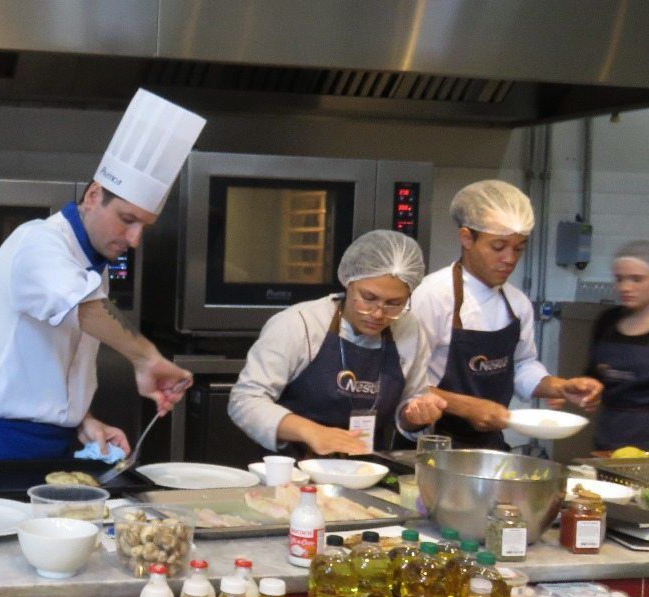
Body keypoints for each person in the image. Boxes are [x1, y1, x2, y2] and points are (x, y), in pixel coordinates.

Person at [0, 89, 203, 461]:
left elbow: (47, 364)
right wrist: (145, 357)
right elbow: (85, 308)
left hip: (57, 443)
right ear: (93, 196)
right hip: (1, 443)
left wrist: (82, 420)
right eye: (127, 219)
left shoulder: (92, 263)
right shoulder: (38, 242)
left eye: (145, 227)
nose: (135, 239)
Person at [411, 179, 602, 450]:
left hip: (490, 445)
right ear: (466, 238)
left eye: (519, 248)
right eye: (498, 247)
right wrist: (467, 407)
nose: (510, 258)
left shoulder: (517, 303)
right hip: (433, 442)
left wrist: (559, 387)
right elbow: (405, 380)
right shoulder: (433, 296)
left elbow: (523, 364)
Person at [229, 230, 447, 457]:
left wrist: (414, 417)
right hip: (291, 472)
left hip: (366, 469)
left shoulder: (408, 329)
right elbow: (245, 400)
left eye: (394, 303)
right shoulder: (300, 324)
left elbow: (411, 402)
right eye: (368, 298)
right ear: (348, 282)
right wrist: (313, 432)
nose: (378, 314)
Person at [588, 240, 649, 452]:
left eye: (636, 279)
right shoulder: (607, 321)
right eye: (619, 279)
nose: (625, 287)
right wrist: (585, 391)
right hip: (608, 438)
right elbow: (592, 374)